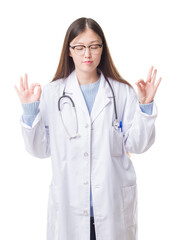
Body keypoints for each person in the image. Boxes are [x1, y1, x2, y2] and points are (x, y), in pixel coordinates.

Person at [15, 17, 162, 240]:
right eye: (80, 47)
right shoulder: (53, 93)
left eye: (94, 46)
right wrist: (29, 110)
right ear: (69, 51)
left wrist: (145, 105)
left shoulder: (122, 93)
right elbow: (39, 149)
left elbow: (138, 145)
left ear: (102, 49)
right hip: (69, 210)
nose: (87, 54)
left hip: (112, 209)